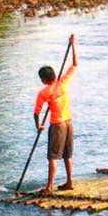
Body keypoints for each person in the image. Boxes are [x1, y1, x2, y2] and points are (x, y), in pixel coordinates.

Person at [33, 33, 78, 194]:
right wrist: (73, 45)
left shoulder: (44, 92)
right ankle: (69, 182)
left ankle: (49, 187)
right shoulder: (63, 84)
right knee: (67, 155)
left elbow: (37, 112)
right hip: (68, 122)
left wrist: (38, 125)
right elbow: (74, 64)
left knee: (52, 156)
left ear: (44, 79)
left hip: (57, 125)